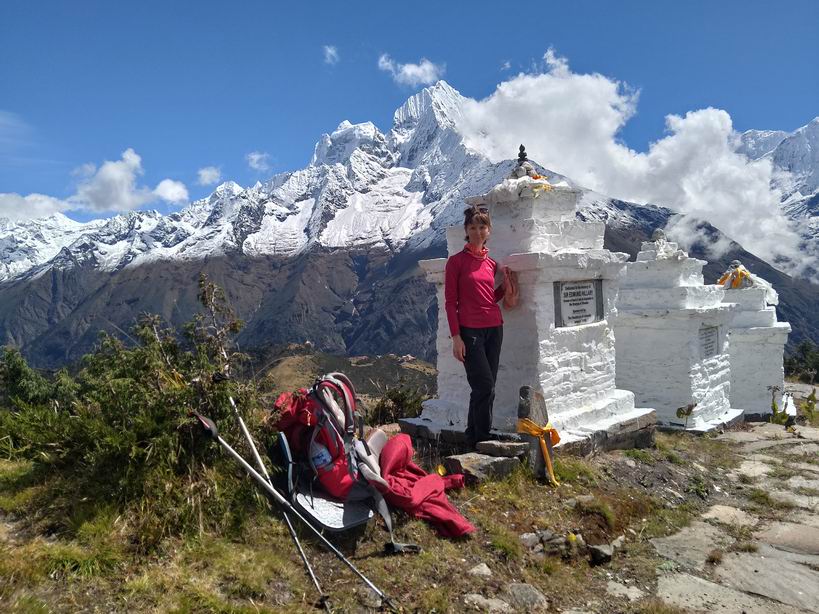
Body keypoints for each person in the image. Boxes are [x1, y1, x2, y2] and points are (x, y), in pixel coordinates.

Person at [444, 205, 519, 449]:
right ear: (466, 230)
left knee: (485, 387)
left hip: (494, 328)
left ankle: (472, 437)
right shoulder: (456, 262)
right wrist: (456, 337)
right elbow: (450, 303)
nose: (478, 232)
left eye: (482, 227)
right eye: (473, 227)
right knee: (484, 385)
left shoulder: (491, 264)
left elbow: (488, 297)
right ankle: (484, 437)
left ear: (489, 230)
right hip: (470, 332)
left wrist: (504, 289)